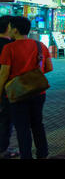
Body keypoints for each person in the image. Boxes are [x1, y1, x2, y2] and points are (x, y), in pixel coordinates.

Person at [0, 16, 53, 159]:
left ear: (15, 30)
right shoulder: (40, 45)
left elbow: (4, 74)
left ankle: (26, 155)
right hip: (38, 91)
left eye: (10, 27)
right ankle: (43, 153)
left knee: (22, 127)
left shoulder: (9, 48)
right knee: (37, 124)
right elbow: (49, 67)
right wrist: (33, 75)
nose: (8, 30)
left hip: (18, 94)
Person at [0, 16, 19, 159]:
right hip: (6, 90)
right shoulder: (9, 46)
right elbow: (5, 72)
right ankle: (3, 149)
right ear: (8, 28)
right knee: (5, 121)